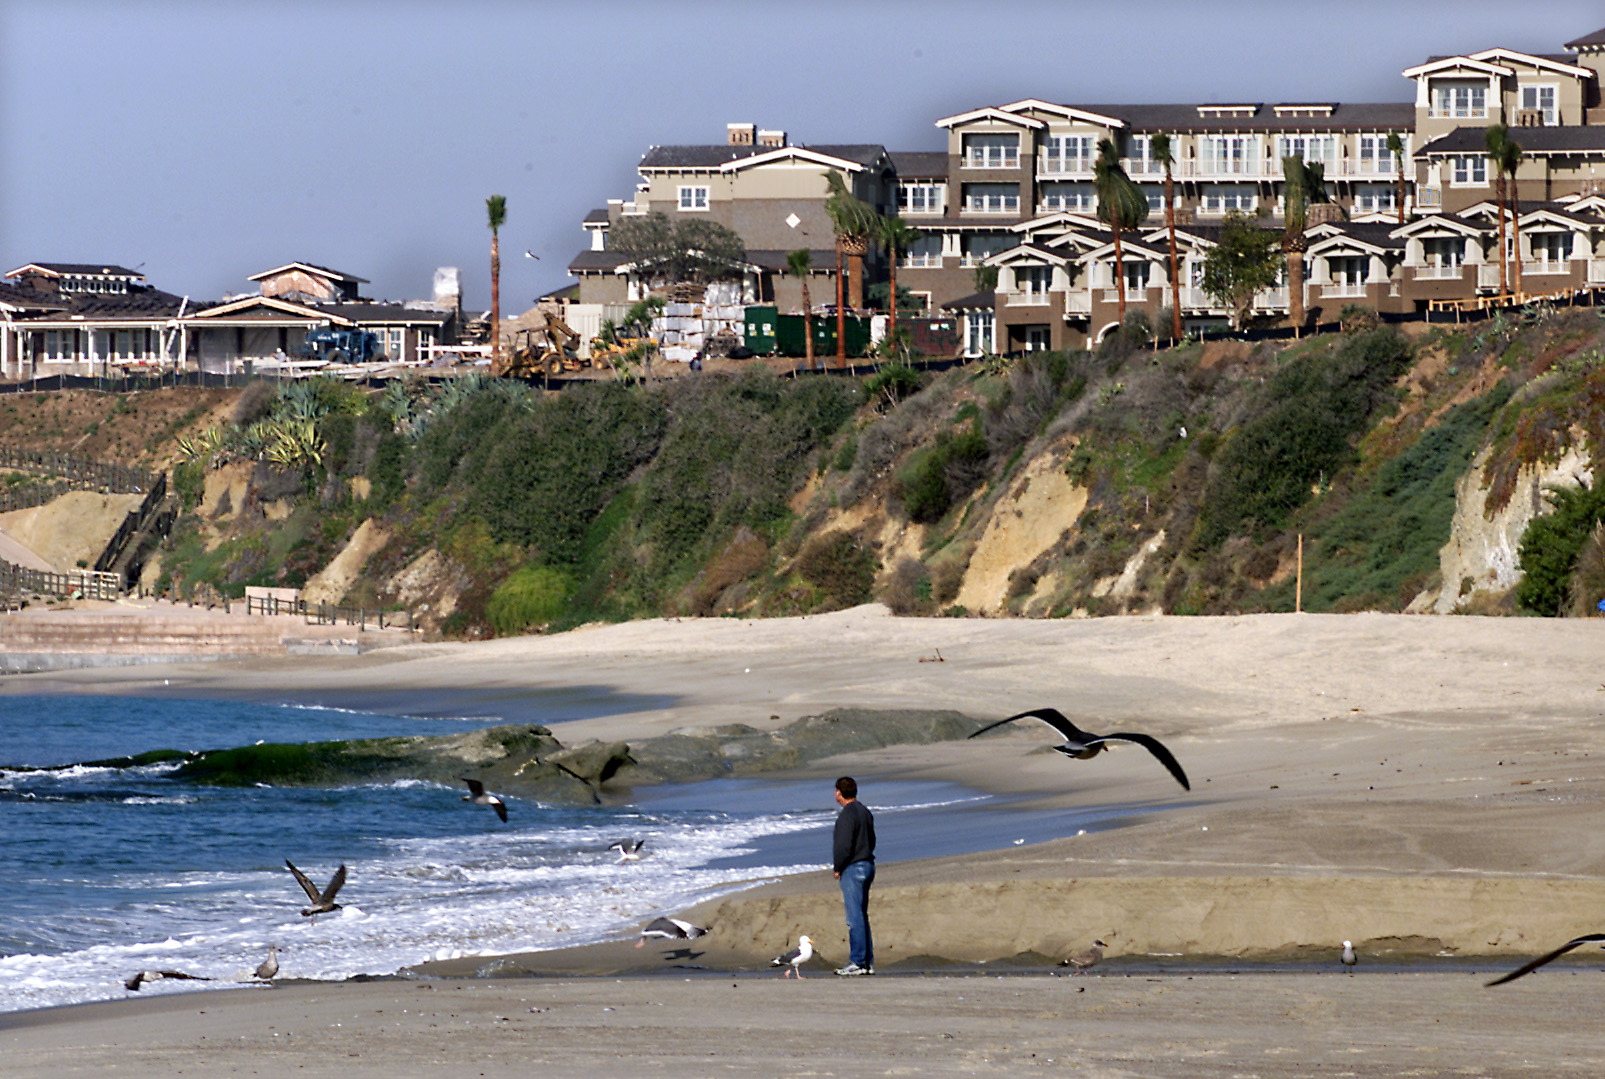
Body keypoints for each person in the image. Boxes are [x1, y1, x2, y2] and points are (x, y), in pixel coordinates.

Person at [832, 776, 875, 976]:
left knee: (854, 917)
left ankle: (858, 961)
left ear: (839, 792)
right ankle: (866, 962)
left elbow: (843, 846)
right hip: (867, 864)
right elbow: (871, 839)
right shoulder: (865, 812)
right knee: (861, 914)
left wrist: (838, 867)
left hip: (854, 866)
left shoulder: (847, 815)